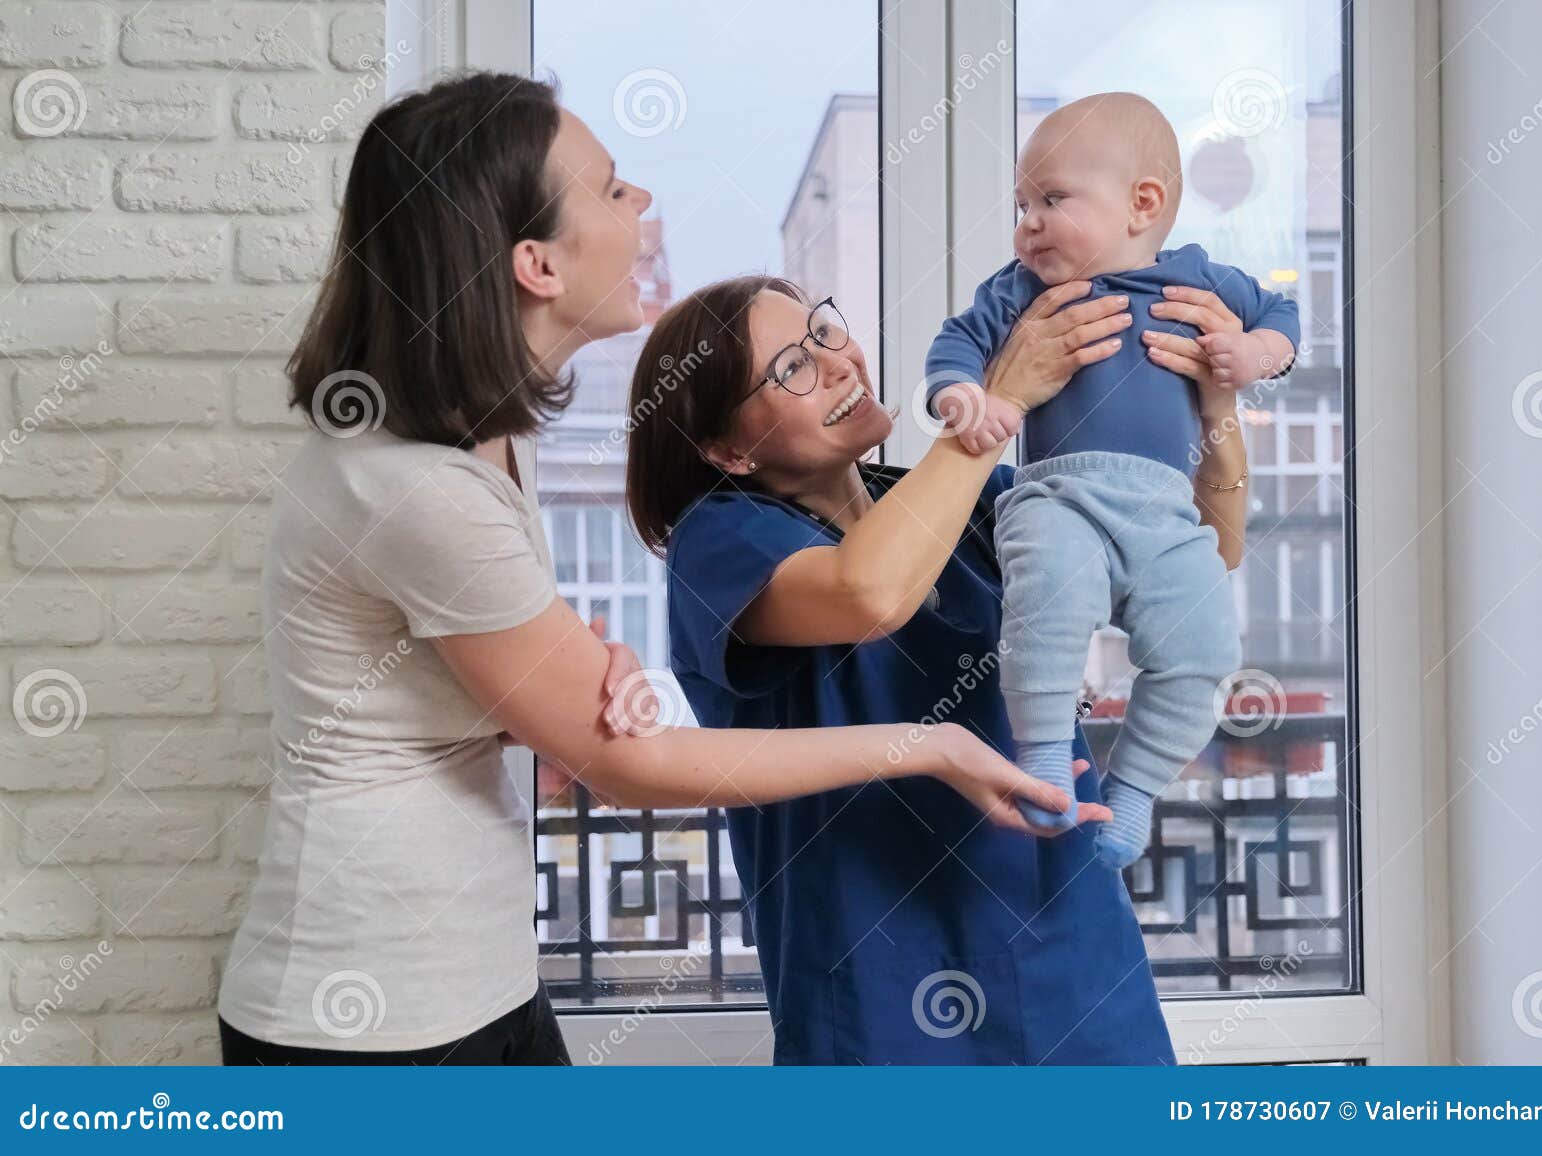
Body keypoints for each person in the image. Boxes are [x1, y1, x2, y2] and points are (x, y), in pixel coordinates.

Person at [215, 71, 1073, 1067]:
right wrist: (931, 748)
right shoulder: (415, 486)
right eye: (612, 190)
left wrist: (570, 678)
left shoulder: (481, 443)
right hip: (367, 1017)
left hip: (477, 983)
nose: (643, 207)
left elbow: (460, 684)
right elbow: (625, 763)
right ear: (536, 262)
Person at [628, 269, 1253, 1063]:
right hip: (881, 985)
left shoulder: (977, 501)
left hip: (1070, 948)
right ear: (727, 450)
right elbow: (870, 592)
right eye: (791, 367)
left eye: (824, 329)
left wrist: (1216, 406)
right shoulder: (719, 539)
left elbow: (1207, 549)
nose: (837, 360)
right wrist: (997, 404)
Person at [924, 92, 1298, 866]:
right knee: (1047, 608)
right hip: (1060, 496)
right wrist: (964, 393)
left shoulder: (1199, 280)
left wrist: (1253, 357)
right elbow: (959, 338)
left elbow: (1283, 317)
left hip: (1167, 512)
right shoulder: (1022, 289)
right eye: (1021, 202)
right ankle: (1046, 758)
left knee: (1204, 649)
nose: (1027, 221)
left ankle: (1133, 794)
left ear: (1143, 204)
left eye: (1052, 199)